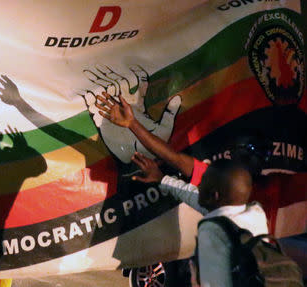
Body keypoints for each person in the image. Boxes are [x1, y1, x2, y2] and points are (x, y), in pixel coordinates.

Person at [95, 92, 307, 234]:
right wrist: (132, 124)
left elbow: (179, 168)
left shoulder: (288, 188)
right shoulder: (226, 200)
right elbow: (177, 163)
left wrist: (133, 125)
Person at [152, 158, 268, 287]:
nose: (198, 186)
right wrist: (162, 179)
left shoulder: (213, 232)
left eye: (203, 183)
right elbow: (191, 195)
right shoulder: (256, 213)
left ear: (215, 196)